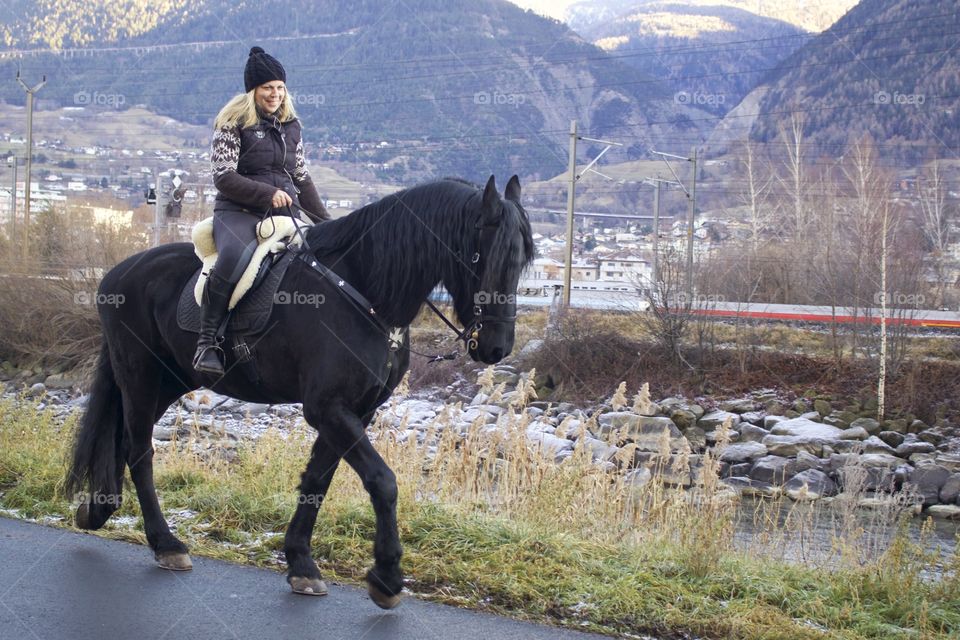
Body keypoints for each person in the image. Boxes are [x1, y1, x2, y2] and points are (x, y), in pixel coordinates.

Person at [193, 46, 330, 375]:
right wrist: (268, 193)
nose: (275, 94)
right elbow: (224, 177)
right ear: (253, 90)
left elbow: (300, 177)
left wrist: (327, 223)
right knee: (234, 257)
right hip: (238, 211)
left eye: (280, 87)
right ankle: (206, 342)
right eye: (268, 87)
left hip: (284, 214)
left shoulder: (291, 126)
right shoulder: (232, 122)